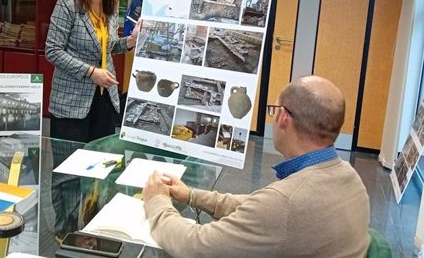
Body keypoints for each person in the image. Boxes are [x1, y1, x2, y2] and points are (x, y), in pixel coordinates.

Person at [142, 75, 371, 257]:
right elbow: (256, 208)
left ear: (283, 118)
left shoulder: (286, 203)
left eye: (274, 110)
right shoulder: (349, 177)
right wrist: (192, 195)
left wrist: (157, 200)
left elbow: (194, 246)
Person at [45, 0, 140, 142]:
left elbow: (107, 47)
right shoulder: (67, 5)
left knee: (100, 162)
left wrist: (130, 41)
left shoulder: (110, 8)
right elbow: (53, 51)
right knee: (68, 166)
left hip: (105, 98)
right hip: (72, 100)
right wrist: (91, 72)